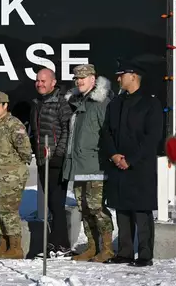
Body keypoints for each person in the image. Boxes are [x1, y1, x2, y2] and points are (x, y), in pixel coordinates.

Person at [101, 59, 164, 267]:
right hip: (119, 164)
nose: (118, 79)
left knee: (141, 210)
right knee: (122, 208)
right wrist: (114, 156)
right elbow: (107, 132)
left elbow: (152, 137)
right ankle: (125, 252)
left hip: (140, 166)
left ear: (133, 76)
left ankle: (145, 254)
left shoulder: (150, 103)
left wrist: (131, 159)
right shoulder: (115, 103)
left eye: (122, 75)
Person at [63, 64, 115, 262]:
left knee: (97, 208)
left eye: (82, 78)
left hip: (95, 165)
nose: (78, 81)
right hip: (78, 164)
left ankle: (107, 248)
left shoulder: (102, 103)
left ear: (93, 79)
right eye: (76, 78)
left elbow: (108, 134)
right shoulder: (77, 101)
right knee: (83, 207)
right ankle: (92, 248)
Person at [29, 68, 72, 257]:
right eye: (38, 80)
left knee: (56, 202)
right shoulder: (37, 103)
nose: (40, 83)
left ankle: (58, 244)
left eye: (44, 80)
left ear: (53, 82)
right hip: (41, 160)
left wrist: (58, 154)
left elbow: (67, 129)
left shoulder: (60, 103)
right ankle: (59, 243)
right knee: (52, 204)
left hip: (56, 160)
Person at [0, 91, 32, 259]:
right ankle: (3, 245)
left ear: (5, 105)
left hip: (11, 178)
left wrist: (12, 169)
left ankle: (15, 248)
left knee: (8, 212)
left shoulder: (14, 125)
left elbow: (25, 151)